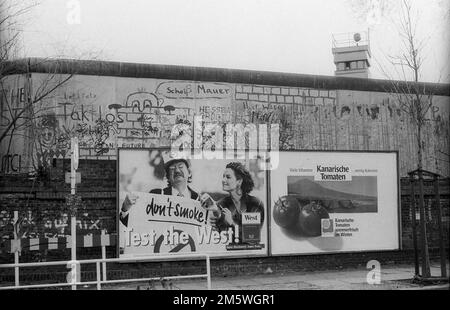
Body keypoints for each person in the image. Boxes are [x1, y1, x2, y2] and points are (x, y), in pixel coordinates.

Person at [120, 157, 199, 227]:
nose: (177, 170)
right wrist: (126, 208)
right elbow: (134, 224)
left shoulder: (199, 200)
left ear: (189, 173)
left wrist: (211, 215)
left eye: (181, 166)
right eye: (172, 168)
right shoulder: (155, 196)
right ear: (167, 176)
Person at [200, 162, 264, 243]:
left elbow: (251, 238)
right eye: (223, 176)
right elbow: (220, 237)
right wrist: (216, 211)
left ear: (239, 181)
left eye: (228, 177)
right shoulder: (221, 204)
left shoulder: (255, 204)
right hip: (228, 253)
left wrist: (231, 222)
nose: (223, 180)